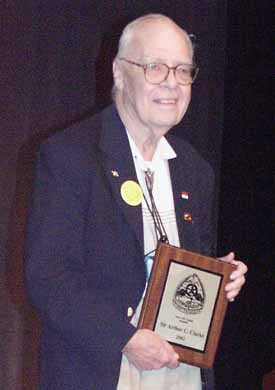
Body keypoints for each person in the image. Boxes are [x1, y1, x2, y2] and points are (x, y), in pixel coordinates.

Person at [24, 14, 247, 390]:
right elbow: (48, 278)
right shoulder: (71, 155)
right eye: (155, 68)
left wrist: (219, 277)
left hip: (180, 371)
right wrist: (124, 338)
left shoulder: (194, 169)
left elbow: (186, 269)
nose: (172, 84)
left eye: (183, 71)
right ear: (118, 72)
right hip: (104, 367)